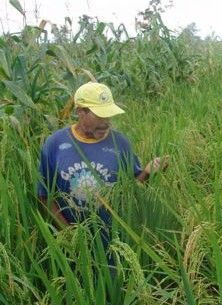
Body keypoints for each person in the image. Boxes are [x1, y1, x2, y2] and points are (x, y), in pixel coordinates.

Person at [38, 82, 169, 233]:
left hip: (112, 238)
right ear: (80, 112)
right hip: (69, 244)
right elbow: (45, 195)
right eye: (100, 116)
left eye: (108, 115)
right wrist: (69, 235)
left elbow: (131, 191)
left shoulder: (121, 143)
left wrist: (147, 173)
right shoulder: (55, 143)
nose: (106, 122)